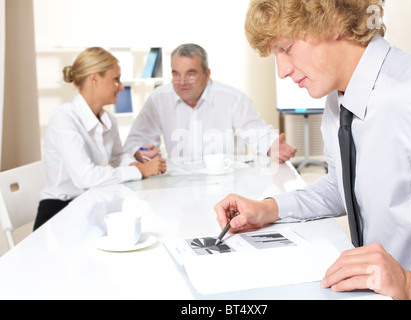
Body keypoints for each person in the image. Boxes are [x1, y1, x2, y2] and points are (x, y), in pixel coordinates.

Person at [214, 0, 411, 300]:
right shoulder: (339, 99)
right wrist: (270, 209)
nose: (282, 70)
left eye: (285, 48)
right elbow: (345, 186)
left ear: (332, 21)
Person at [34, 47, 166, 230]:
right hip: (60, 212)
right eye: (116, 80)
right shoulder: (64, 117)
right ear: (94, 79)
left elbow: (118, 156)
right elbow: (85, 177)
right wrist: (141, 171)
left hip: (91, 205)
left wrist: (135, 165)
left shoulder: (108, 119)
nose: (120, 87)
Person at [124, 43, 296, 164]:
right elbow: (135, 141)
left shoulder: (233, 99)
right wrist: (140, 152)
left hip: (228, 183)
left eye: (191, 74)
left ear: (207, 74)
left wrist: (272, 147)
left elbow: (256, 132)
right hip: (179, 184)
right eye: (176, 74)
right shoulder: (158, 99)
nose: (182, 81)